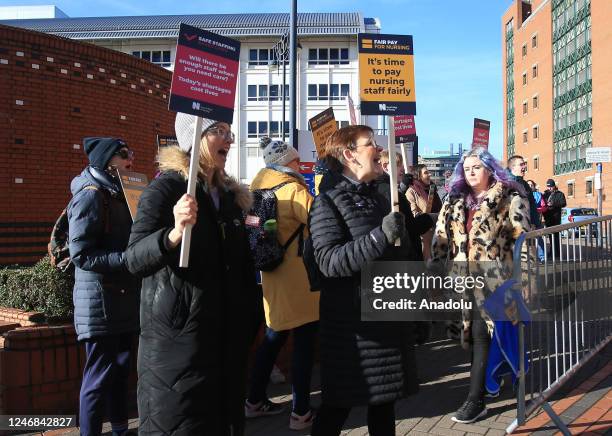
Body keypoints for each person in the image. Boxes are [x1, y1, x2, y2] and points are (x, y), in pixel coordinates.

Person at [125, 114, 259, 436]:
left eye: (230, 132)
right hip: (179, 349)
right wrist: (173, 234)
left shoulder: (230, 197)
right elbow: (133, 259)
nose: (229, 139)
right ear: (195, 138)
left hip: (225, 346)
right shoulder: (167, 188)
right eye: (219, 131)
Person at [309, 125, 420, 436]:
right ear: (349, 155)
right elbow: (329, 262)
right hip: (353, 332)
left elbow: (397, 254)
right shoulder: (328, 202)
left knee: (384, 408)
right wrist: (380, 236)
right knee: (337, 408)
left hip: (386, 322)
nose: (378, 149)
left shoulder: (382, 198)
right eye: (370, 144)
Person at [431, 147, 531, 424]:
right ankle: (488, 383)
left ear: (489, 168)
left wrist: (524, 279)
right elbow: (440, 238)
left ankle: (476, 400)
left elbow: (522, 239)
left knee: (481, 334)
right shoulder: (453, 200)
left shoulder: (510, 197)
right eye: (467, 167)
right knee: (471, 339)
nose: (471, 171)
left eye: (477, 166)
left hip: (494, 280)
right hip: (461, 280)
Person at [245, 138, 319, 430]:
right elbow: (321, 222)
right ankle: (300, 412)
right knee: (303, 345)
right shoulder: (293, 190)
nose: (300, 165)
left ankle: (253, 401)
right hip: (300, 279)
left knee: (273, 338)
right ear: (286, 163)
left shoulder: (255, 190)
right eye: (296, 160)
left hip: (271, 275)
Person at [68, 137, 139, 436]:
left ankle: (121, 430)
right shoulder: (90, 195)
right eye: (125, 154)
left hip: (121, 297)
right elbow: (81, 253)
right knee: (97, 379)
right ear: (108, 160)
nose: (131, 160)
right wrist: (126, 259)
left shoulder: (118, 193)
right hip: (99, 302)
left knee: (121, 372)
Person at [405, 164, 443, 260]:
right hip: (424, 237)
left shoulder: (432, 189)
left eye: (429, 172)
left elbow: (440, 208)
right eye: (426, 173)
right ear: (418, 175)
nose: (429, 175)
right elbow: (414, 214)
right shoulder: (411, 191)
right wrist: (431, 217)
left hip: (437, 234)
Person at [542, 178, 567, 257]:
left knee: (556, 236)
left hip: (556, 218)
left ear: (554, 186)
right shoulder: (545, 194)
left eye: (551, 187)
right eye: (548, 187)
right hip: (548, 217)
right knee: (550, 236)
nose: (549, 188)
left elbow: (563, 203)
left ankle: (557, 252)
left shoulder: (560, 194)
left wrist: (553, 204)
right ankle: (551, 252)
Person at [527, 179, 547, 261]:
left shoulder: (538, 195)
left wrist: (535, 209)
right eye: (528, 184)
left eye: (531, 185)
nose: (530, 186)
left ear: (534, 186)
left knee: (538, 238)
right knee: (527, 240)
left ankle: (542, 257)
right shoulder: (523, 195)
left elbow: (544, 207)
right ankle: (530, 258)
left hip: (536, 220)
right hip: (526, 221)